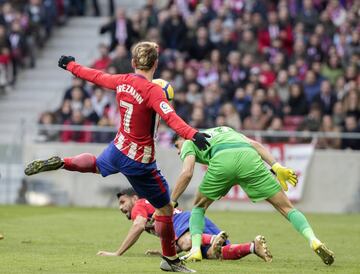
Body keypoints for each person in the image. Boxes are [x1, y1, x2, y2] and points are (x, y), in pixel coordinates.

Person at [24, 41, 211, 273]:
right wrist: (193, 134)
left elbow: (96, 76)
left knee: (95, 165)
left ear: (133, 63)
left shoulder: (123, 80)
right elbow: (171, 117)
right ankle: (170, 260)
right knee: (165, 208)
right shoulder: (153, 91)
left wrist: (71, 65)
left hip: (118, 147)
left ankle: (64, 162)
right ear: (156, 64)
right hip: (140, 161)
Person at [171, 126, 335, 265]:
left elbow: (187, 173)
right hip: (248, 157)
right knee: (286, 207)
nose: (178, 152)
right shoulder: (225, 129)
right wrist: (276, 167)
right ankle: (314, 240)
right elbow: (255, 144)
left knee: (199, 207)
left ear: (181, 137)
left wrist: (172, 201)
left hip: (222, 161)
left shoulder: (187, 141)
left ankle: (195, 250)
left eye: (176, 146)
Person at [96, 188, 272, 263]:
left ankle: (212, 239)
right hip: (192, 220)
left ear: (133, 198)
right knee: (216, 254)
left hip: (183, 222)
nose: (121, 207)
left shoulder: (139, 205)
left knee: (187, 243)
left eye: (122, 202)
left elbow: (139, 226)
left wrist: (117, 253)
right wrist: (167, 252)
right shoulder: (147, 205)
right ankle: (252, 247)